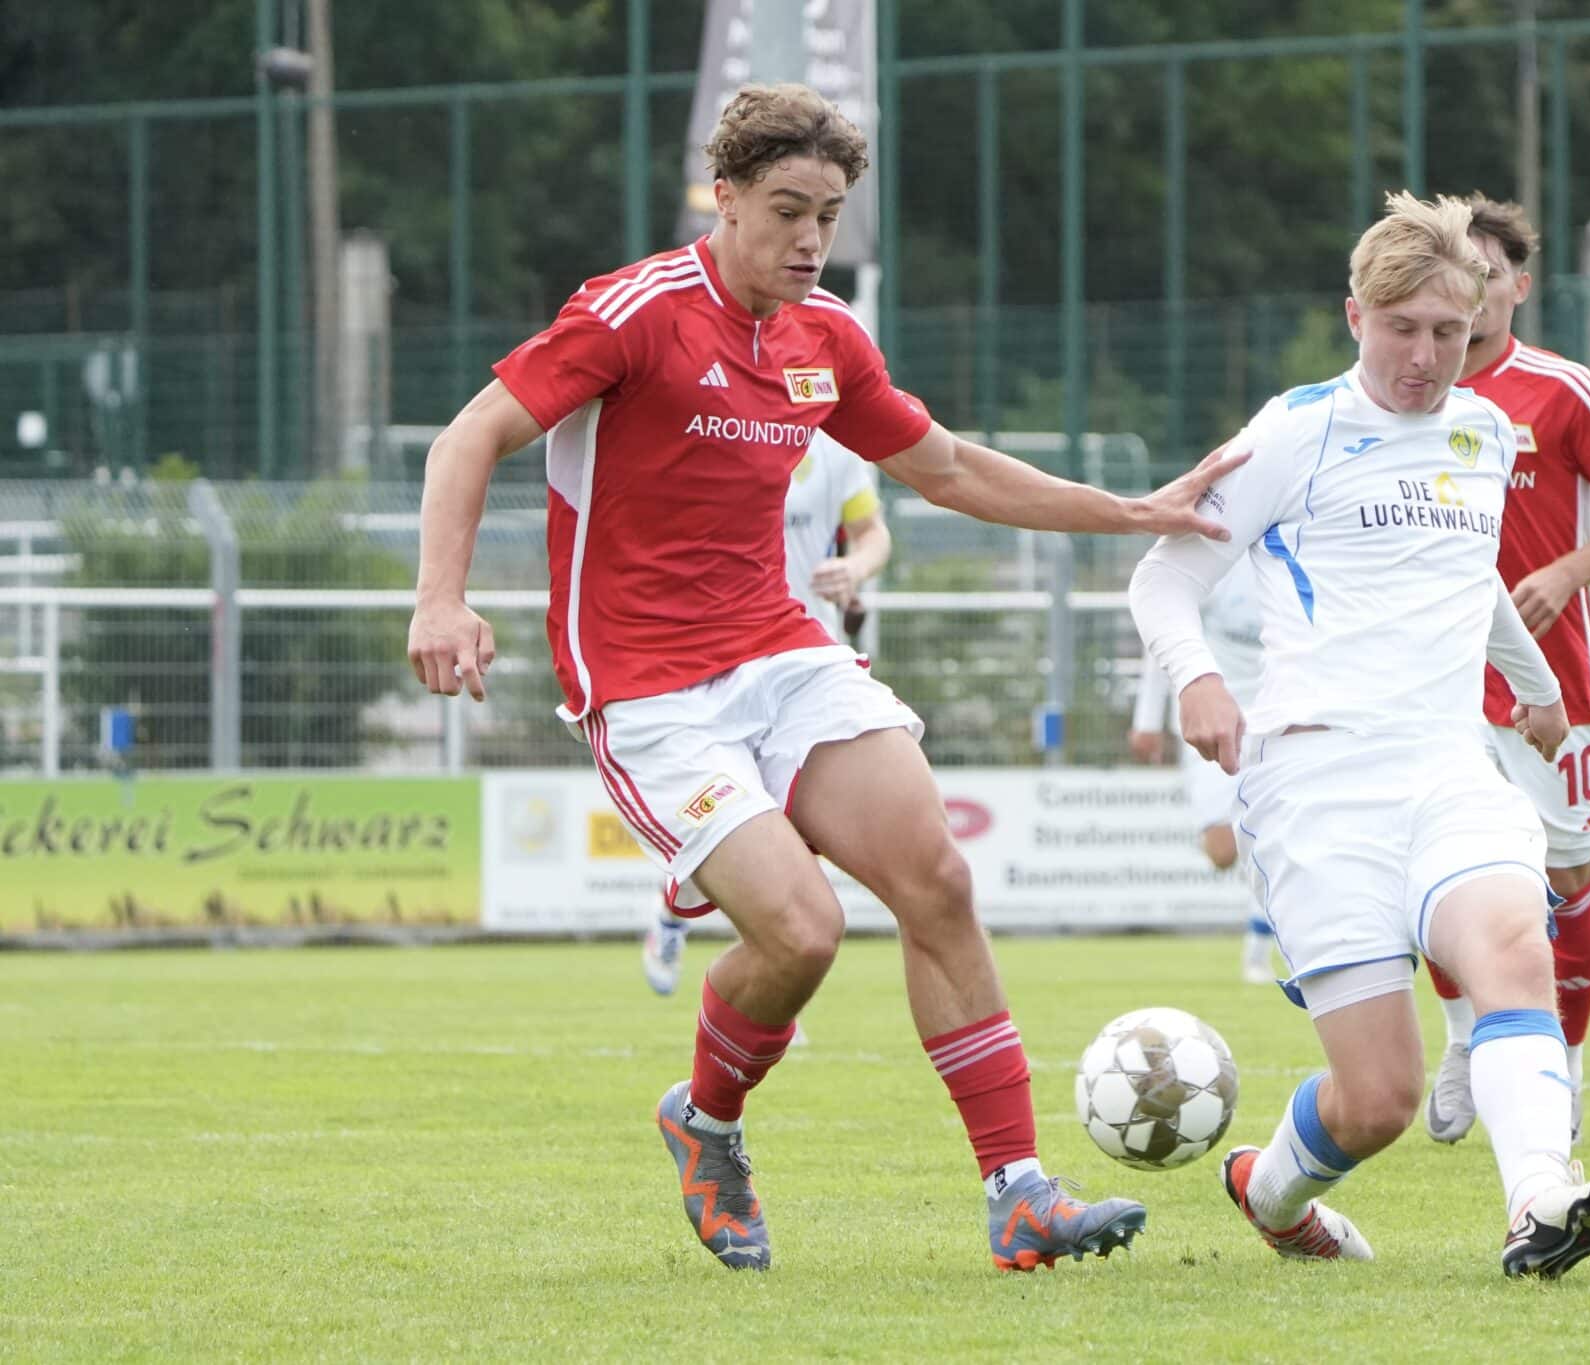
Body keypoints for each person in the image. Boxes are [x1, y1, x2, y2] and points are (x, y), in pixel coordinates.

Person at [407, 83, 1241, 1274]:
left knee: (936, 879)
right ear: (728, 197)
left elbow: (945, 470)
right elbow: (468, 435)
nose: (809, 241)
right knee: (799, 934)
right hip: (647, 688)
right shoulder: (632, 313)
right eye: (787, 211)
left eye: (830, 216)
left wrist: (1130, 511)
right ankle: (706, 1123)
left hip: (782, 651)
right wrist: (441, 597)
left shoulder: (826, 336)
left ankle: (1018, 1193)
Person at [1129, 191, 1590, 1279]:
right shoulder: (1291, 432)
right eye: (1401, 328)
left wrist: (1532, 683)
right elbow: (1162, 579)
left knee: (1514, 952)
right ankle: (1271, 1197)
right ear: (1353, 315)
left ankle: (1539, 1203)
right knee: (1377, 1102)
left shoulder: (1483, 429)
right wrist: (1198, 682)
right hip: (1315, 782)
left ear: (1480, 324)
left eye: (1447, 334)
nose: (1423, 356)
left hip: (1445, 763)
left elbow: (1475, 579)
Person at [1421, 194, 1590, 1149]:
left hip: (1554, 688)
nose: (1474, 295)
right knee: (1434, 876)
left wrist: (1567, 572)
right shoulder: (1411, 389)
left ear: (1519, 287)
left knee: (1569, 883)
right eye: (1459, 275)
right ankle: (1458, 1039)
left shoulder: (1565, 390)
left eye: (1489, 276)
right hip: (1440, 689)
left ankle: (1561, 1066)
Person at [641, 430, 890, 1001]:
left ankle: (766, 963)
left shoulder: (836, 448)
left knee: (800, 831)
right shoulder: (712, 431)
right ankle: (680, 918)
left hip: (809, 669)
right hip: (719, 665)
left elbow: (872, 532)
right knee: (744, 824)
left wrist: (854, 569)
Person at [1127, 554, 1277, 983]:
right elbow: (1163, 641)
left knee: (1271, 839)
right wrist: (1147, 721)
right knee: (1223, 851)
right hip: (1213, 721)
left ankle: (1258, 950)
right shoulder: (1218, 568)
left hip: (1273, 719)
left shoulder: (1294, 561)